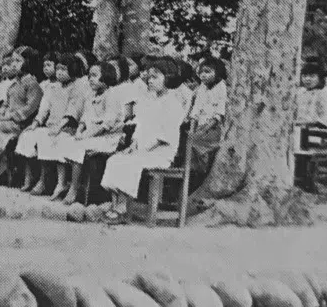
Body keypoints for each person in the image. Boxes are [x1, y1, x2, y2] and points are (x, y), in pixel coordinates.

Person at [101, 58, 184, 223]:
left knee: (130, 163)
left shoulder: (174, 104)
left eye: (155, 77)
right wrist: (134, 145)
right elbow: (141, 127)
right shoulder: (149, 101)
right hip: (143, 149)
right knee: (115, 159)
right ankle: (115, 203)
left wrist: (143, 150)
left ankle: (123, 208)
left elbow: (165, 136)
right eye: (149, 77)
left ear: (168, 77)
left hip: (160, 152)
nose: (150, 80)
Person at [15, 53, 84, 193]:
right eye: (58, 69)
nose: (59, 72)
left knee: (51, 139)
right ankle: (30, 178)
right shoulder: (52, 88)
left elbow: (73, 110)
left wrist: (60, 127)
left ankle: (58, 182)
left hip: (67, 127)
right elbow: (44, 108)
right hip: (50, 126)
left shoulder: (78, 87)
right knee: (28, 136)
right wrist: (36, 123)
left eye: (64, 69)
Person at [58, 60, 124, 205]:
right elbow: (85, 117)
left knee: (79, 146)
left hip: (109, 138)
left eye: (94, 75)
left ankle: (74, 189)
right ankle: (65, 184)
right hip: (93, 135)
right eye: (89, 76)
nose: (90, 79)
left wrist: (87, 136)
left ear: (105, 76)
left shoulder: (111, 95)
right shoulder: (91, 95)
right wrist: (80, 131)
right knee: (67, 141)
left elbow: (107, 124)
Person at [0, 46, 43, 174]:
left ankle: (4, 161)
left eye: (18, 61)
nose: (14, 64)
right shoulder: (14, 84)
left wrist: (11, 116)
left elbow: (30, 108)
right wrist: (1, 112)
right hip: (10, 120)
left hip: (22, 124)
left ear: (28, 63)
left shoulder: (32, 84)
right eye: (12, 61)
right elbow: (7, 104)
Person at [187, 57, 228, 176]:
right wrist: (192, 129)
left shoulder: (221, 87)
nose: (203, 75)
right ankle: (193, 174)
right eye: (201, 72)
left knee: (196, 142)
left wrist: (203, 130)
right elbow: (196, 110)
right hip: (200, 127)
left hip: (213, 128)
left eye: (207, 72)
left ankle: (201, 173)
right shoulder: (202, 88)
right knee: (189, 140)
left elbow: (219, 113)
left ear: (217, 72)